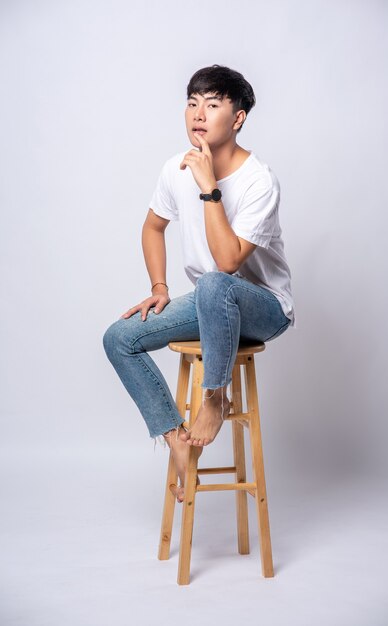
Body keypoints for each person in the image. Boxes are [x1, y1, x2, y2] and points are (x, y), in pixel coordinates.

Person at [103, 64, 295, 503]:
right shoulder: (175, 169)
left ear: (239, 117)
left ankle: (215, 396)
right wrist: (159, 287)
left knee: (213, 281)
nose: (199, 113)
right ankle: (178, 446)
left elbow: (227, 263)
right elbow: (152, 228)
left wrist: (209, 188)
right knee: (118, 338)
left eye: (212, 104)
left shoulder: (258, 180)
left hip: (264, 308)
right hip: (212, 303)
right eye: (192, 102)